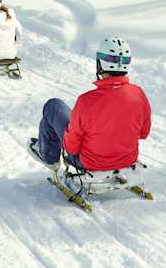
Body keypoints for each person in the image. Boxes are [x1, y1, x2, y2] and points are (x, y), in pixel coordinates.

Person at [29, 37, 149, 173]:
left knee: (53, 106)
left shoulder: (86, 101)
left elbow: (71, 147)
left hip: (90, 163)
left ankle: (49, 158)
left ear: (100, 64)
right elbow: (143, 132)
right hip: (127, 159)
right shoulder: (138, 94)